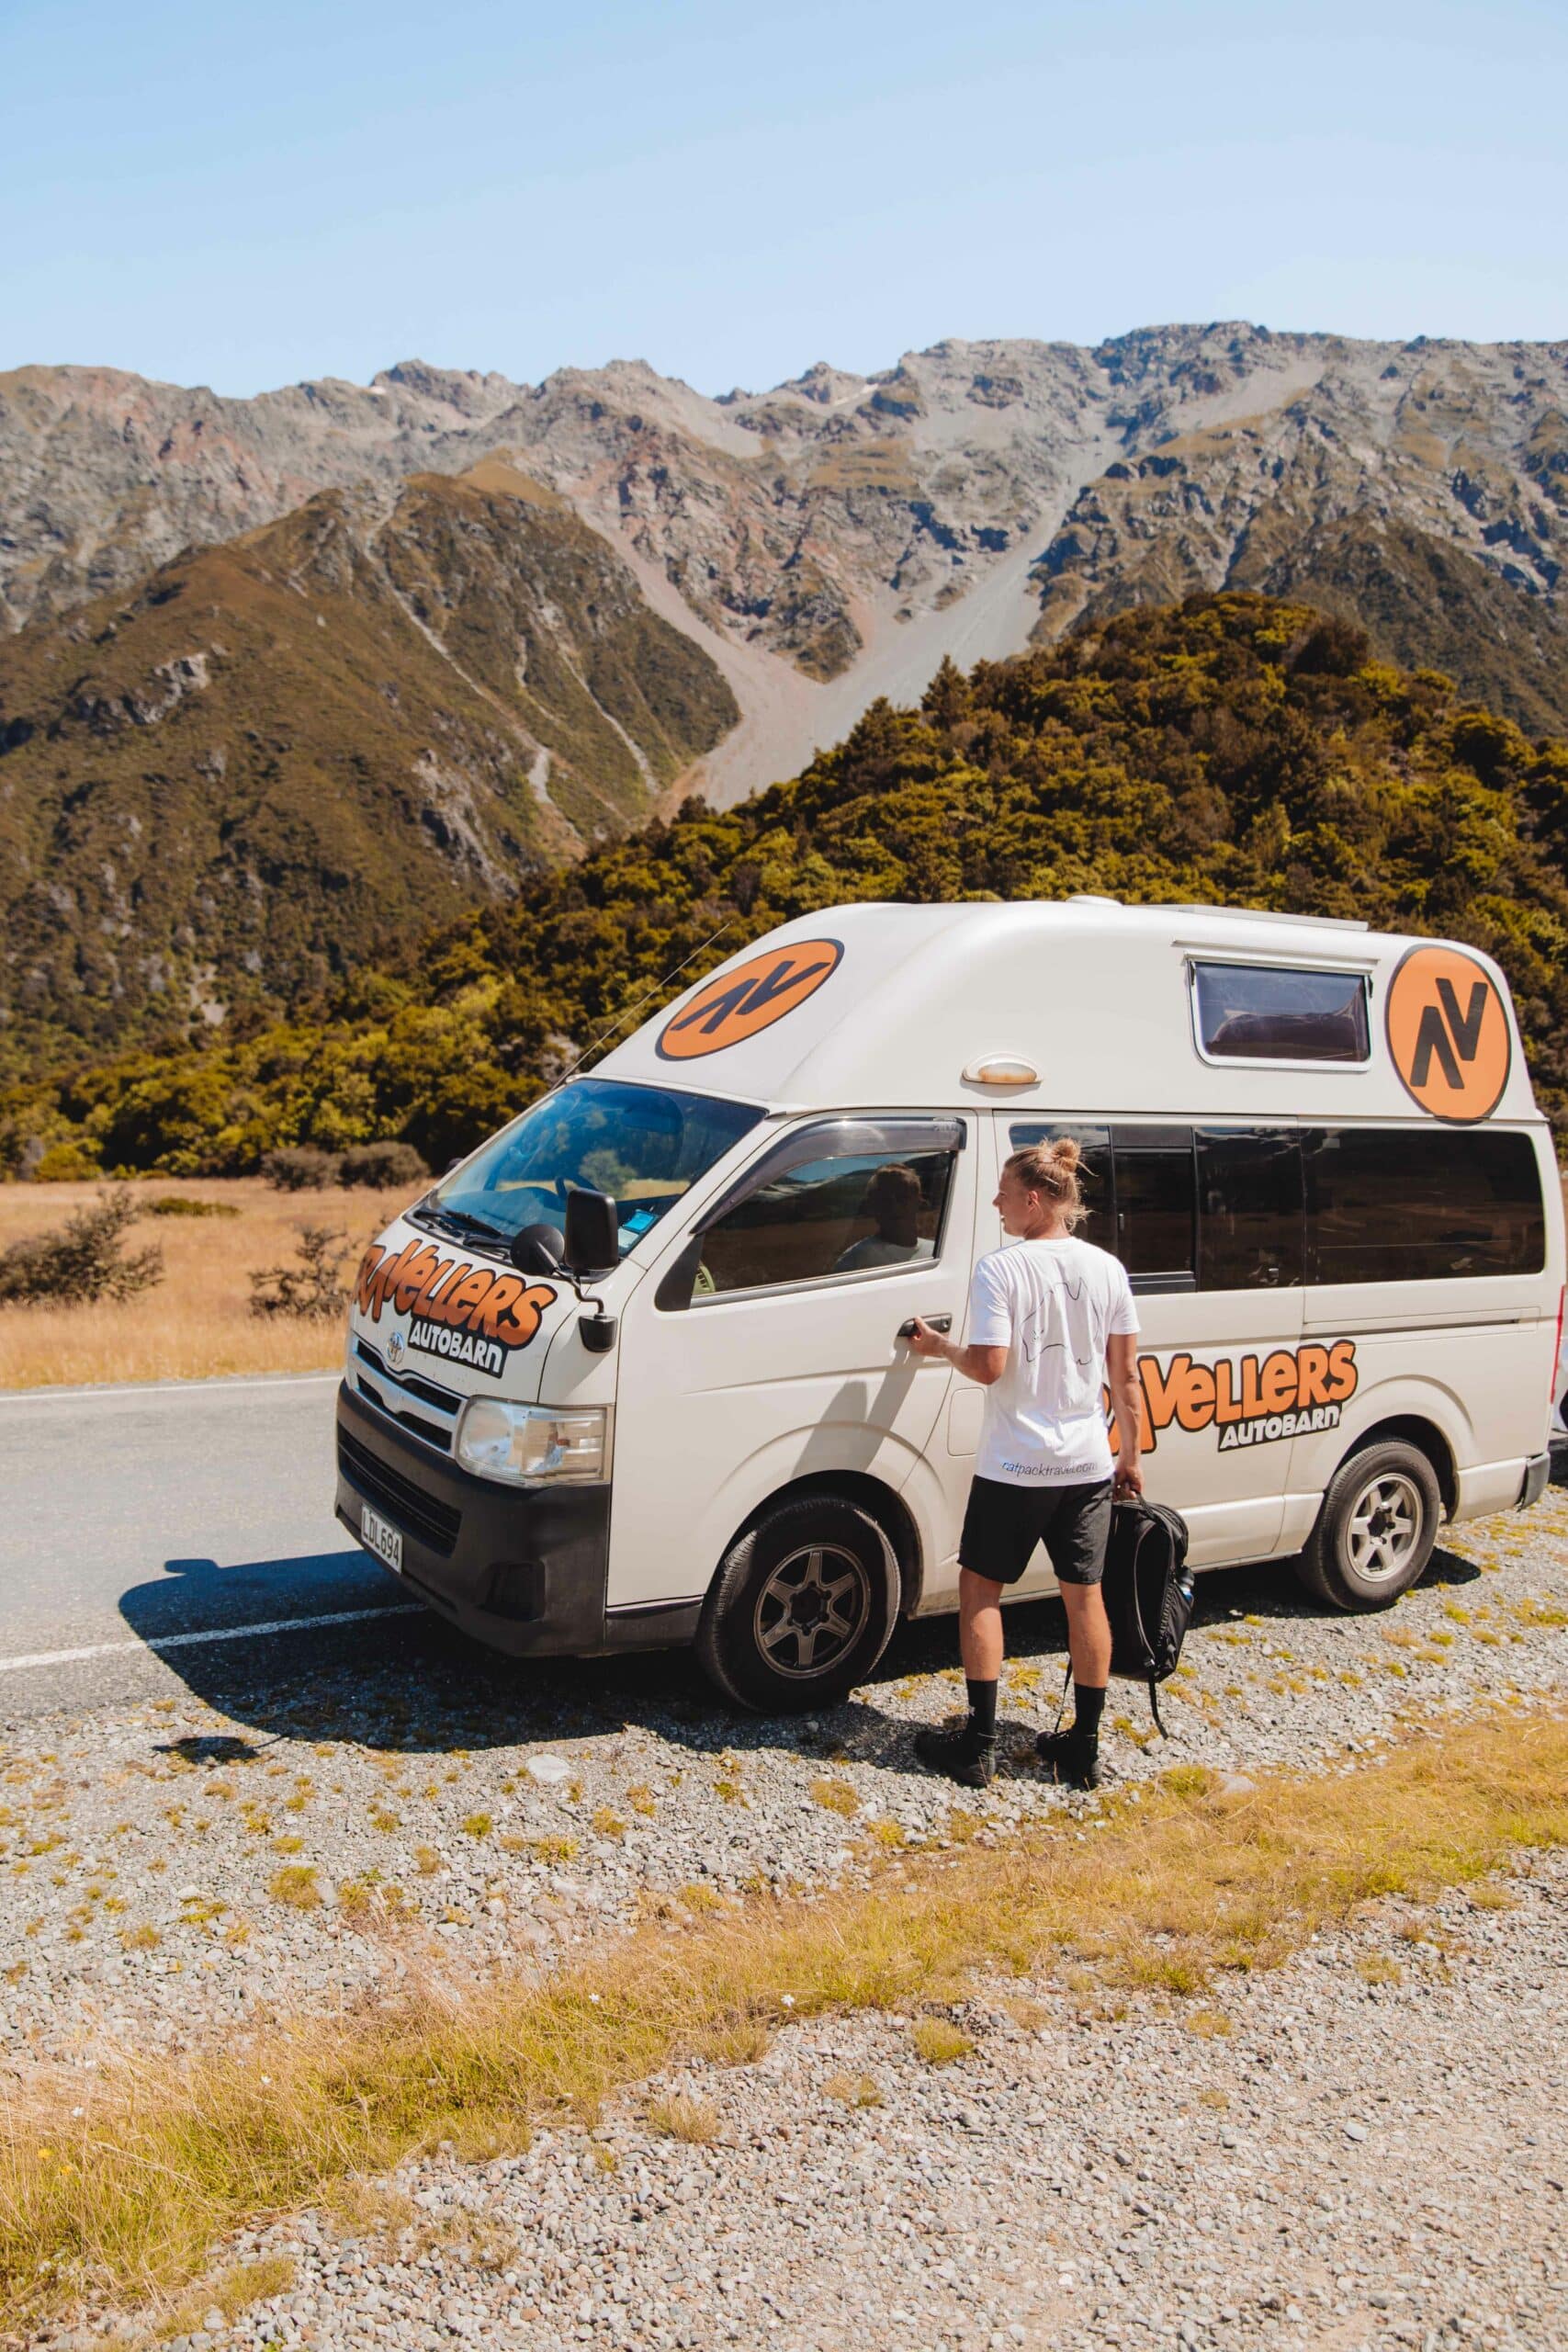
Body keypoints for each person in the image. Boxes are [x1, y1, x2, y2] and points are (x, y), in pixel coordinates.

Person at [905, 1138, 1144, 1790]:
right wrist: (1128, 1454)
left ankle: (977, 1746)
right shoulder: (1106, 1269)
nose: (996, 1204)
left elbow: (988, 1366)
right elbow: (1124, 1378)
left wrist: (936, 1347)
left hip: (1016, 1465)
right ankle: (1083, 1749)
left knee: (981, 1591)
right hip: (1087, 1463)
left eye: (1004, 1195)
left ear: (1034, 1200)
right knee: (1083, 1598)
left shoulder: (999, 1270)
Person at [834, 1162, 936, 1272]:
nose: (894, 1206)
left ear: (919, 1202)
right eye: (884, 1199)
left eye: (902, 1197)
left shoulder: (937, 1251)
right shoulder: (857, 1259)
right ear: (872, 1206)